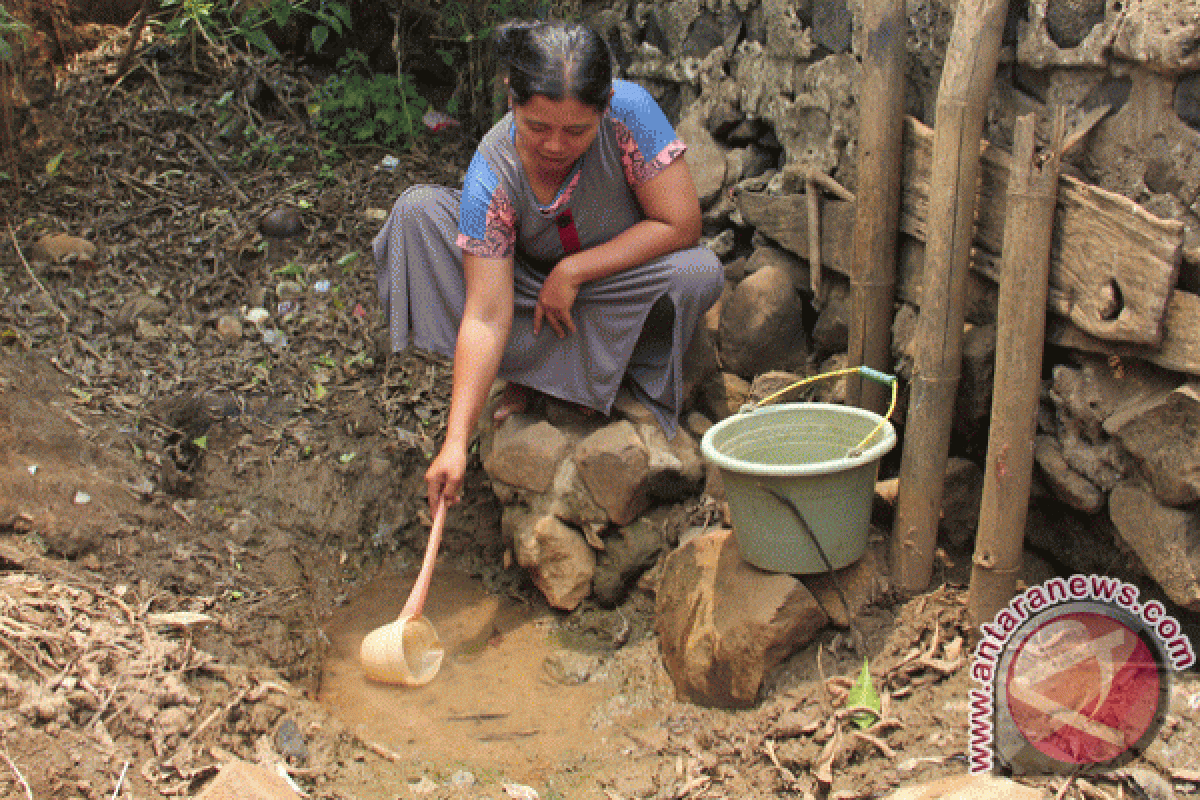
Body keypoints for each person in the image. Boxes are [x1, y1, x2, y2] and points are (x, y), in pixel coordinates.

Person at [372, 19, 724, 513]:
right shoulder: (490, 171)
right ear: (511, 98)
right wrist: (456, 441)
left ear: (604, 108)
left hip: (610, 285)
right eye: (537, 127)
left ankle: (568, 376)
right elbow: (485, 315)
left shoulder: (632, 112)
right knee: (417, 213)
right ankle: (540, 377)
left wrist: (575, 270)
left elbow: (682, 224)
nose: (555, 145)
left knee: (697, 272)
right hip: (527, 294)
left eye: (577, 130)